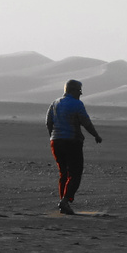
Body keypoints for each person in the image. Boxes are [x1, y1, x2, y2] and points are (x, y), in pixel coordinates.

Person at [45, 79, 102, 214]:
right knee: (75, 173)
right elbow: (86, 122)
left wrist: (52, 136)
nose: (81, 93)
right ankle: (65, 201)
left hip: (56, 142)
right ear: (72, 90)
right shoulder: (77, 104)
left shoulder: (55, 103)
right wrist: (96, 135)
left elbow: (48, 122)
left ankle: (63, 202)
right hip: (72, 141)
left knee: (63, 173)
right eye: (79, 90)